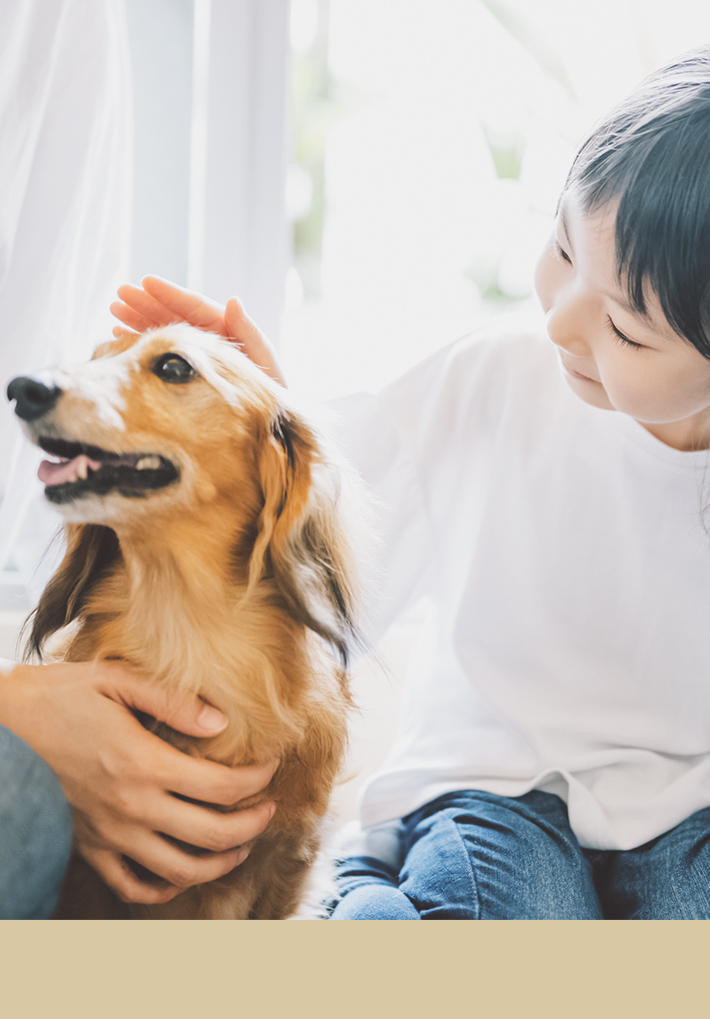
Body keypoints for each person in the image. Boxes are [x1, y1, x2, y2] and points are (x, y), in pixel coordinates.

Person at [113, 46, 710, 920]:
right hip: (496, 785)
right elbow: (327, 523)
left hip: (689, 806)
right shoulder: (491, 381)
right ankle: (367, 894)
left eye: (623, 326)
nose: (558, 319)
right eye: (561, 246)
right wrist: (259, 410)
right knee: (516, 932)